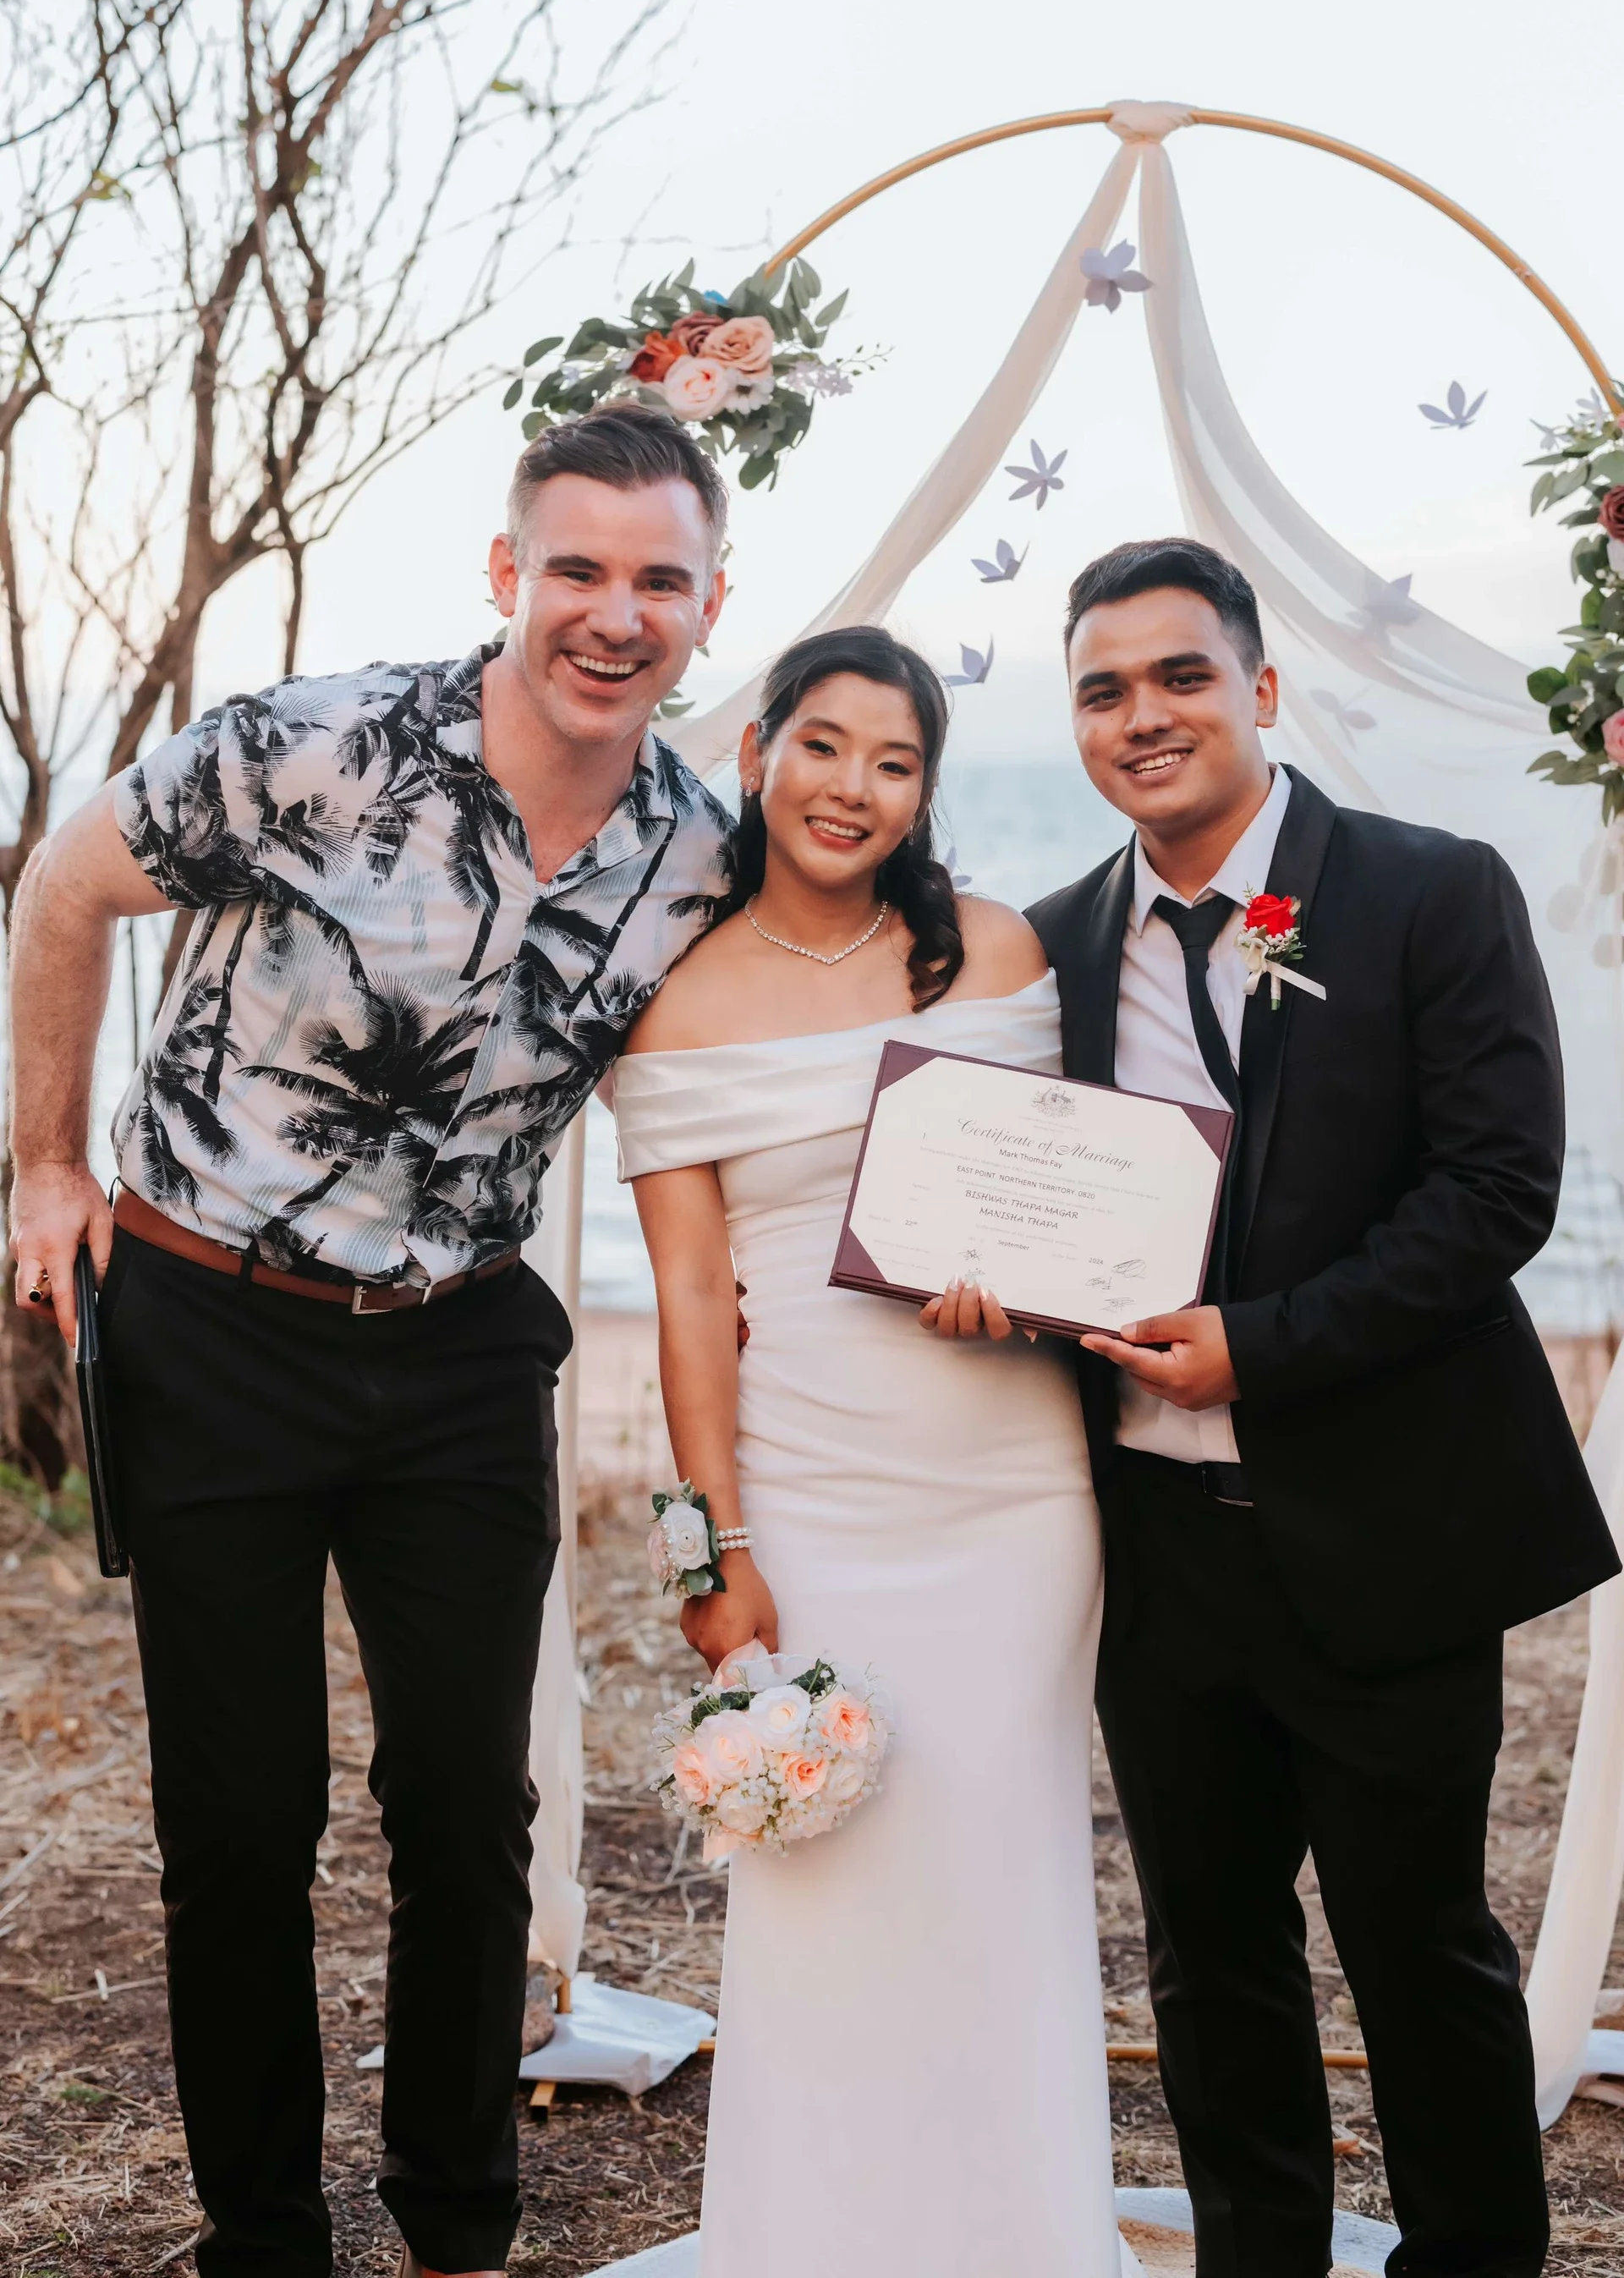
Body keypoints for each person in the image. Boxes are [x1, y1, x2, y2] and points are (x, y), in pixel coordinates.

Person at [7, 404, 736, 2278]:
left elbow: (841, 980)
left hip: (465, 1353)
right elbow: (65, 887)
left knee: (468, 1812)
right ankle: (264, 2238)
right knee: (240, 1826)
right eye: (577, 566)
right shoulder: (311, 747)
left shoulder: (697, 854)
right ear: (509, 574)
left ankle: (457, 2230)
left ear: (707, 606)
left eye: (658, 577)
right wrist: (40, 1168)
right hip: (213, 1329)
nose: (613, 610)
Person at [1020, 537, 1621, 2278]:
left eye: (1181, 674)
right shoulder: (1053, 949)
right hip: (1155, 1546)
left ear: (1263, 690)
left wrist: (1257, 1346)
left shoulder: (1433, 891)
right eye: (1104, 688)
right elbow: (1020, 1200)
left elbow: (1499, 1188)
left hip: (1387, 1525)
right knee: (1208, 1959)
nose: (1146, 715)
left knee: (1421, 1945)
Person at [614, 625, 1125, 2277]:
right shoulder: (677, 996)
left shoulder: (987, 951)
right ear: (761, 744)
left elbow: (1070, 1200)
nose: (852, 787)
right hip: (815, 1494)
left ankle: (1021, 2239)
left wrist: (1035, 1295)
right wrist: (717, 1549)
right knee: (828, 1899)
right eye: (824, 745)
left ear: (926, 787)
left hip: (1014, 1495)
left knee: (1002, 1882)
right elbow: (691, 1304)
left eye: (893, 761)